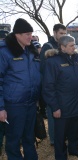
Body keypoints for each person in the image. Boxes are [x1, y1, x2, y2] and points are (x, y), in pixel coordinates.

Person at [0, 18, 40, 159]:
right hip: (14, 105)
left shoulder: (31, 51)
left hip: (30, 103)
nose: (31, 36)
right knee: (13, 140)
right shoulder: (4, 51)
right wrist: (1, 108)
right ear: (17, 34)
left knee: (29, 137)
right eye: (27, 34)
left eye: (31, 33)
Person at [42, 35, 78, 159]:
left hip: (77, 104)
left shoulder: (77, 59)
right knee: (60, 135)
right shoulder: (53, 62)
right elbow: (48, 87)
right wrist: (55, 107)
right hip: (62, 107)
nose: (75, 48)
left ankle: (74, 149)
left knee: (75, 131)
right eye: (71, 45)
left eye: (74, 45)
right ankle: (61, 155)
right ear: (62, 47)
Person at [40, 23, 67, 146]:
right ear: (54, 33)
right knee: (52, 114)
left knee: (60, 114)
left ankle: (60, 137)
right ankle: (53, 140)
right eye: (61, 33)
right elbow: (44, 68)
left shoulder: (63, 45)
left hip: (62, 87)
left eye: (65, 33)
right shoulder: (47, 46)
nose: (63, 36)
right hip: (51, 87)